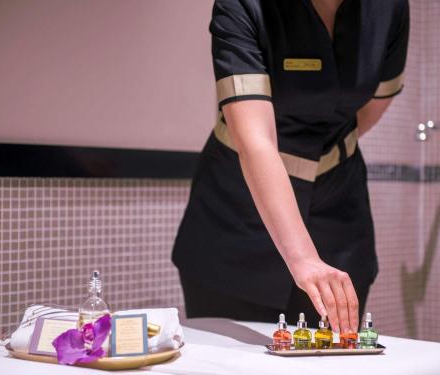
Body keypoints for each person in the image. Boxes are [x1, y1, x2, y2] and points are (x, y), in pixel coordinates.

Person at [172, 0, 409, 334]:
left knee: (332, 356)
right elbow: (256, 141)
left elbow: (372, 106)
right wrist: (303, 259)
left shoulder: (389, 8)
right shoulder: (243, 5)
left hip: (338, 204)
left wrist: (317, 151)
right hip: (238, 213)